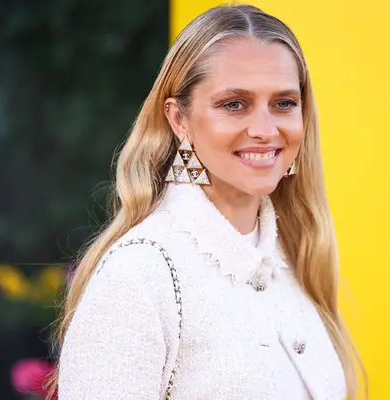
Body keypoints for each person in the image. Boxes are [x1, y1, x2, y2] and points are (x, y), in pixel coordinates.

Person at [49, 4, 365, 400]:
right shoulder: (139, 275)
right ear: (178, 119)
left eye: (284, 103)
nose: (266, 130)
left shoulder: (291, 260)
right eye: (234, 104)